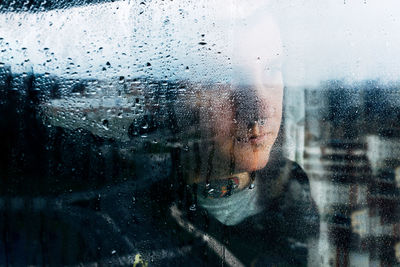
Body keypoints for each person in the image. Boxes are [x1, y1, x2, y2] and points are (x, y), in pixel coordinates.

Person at [145, 11, 320, 267]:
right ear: (172, 100)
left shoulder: (293, 189)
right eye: (225, 79)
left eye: (271, 69)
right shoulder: (134, 207)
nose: (260, 110)